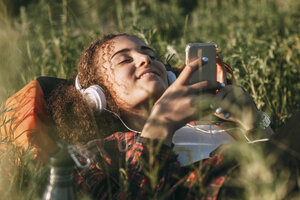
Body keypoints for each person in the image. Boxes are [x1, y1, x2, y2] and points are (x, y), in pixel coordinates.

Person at [45, 33, 280, 199]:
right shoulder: (98, 154)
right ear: (97, 94)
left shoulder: (214, 124)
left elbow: (279, 158)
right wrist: (159, 129)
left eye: (152, 56)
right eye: (125, 60)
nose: (145, 59)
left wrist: (254, 122)